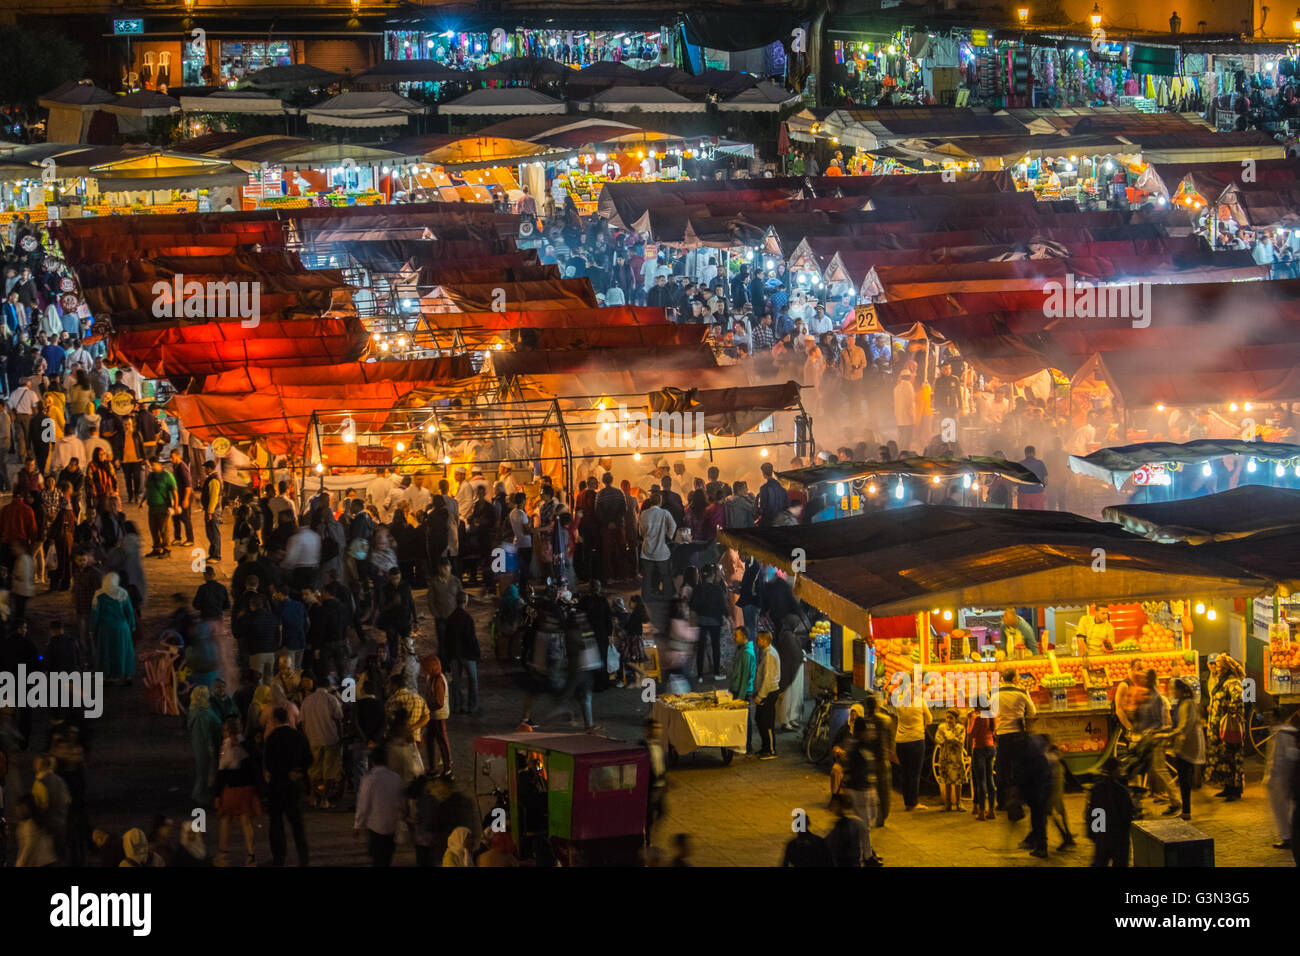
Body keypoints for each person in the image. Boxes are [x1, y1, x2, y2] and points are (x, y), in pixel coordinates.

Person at [262, 706, 312, 867]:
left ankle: (279, 857)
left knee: (276, 823)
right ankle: (303, 858)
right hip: (294, 785)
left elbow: (269, 763)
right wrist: (299, 771)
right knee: (297, 824)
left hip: (277, 785)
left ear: (275, 719)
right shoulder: (298, 736)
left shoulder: (272, 738)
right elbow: (309, 758)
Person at [214, 717, 261, 866]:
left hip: (232, 788)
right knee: (246, 822)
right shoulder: (246, 743)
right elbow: (256, 758)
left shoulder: (227, 745)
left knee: (225, 820)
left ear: (227, 730)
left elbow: (222, 771)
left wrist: (216, 794)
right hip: (247, 788)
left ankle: (223, 855)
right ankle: (251, 855)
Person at [354, 744, 405, 866]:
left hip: (375, 827)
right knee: (387, 859)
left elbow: (363, 805)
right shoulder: (396, 778)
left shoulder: (369, 779)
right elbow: (401, 803)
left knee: (377, 859)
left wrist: (358, 825)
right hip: (391, 826)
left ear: (372, 761)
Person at [1206, 654, 1246, 801]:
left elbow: (1237, 699)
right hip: (1219, 727)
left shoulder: (1232, 682)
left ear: (1225, 667)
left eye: (1218, 664)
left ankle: (1235, 790)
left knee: (1231, 756)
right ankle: (1227, 787)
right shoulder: (1221, 682)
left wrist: (1229, 715)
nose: (1215, 667)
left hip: (1229, 727)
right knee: (1223, 757)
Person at [1086, 758, 1134, 867]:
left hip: (1102, 837)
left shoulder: (1097, 789)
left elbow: (1093, 812)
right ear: (1115, 770)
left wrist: (1095, 835)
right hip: (1118, 838)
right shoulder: (1122, 791)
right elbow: (1127, 816)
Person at [92, 571, 136, 685]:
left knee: (107, 652)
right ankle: (127, 675)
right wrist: (132, 625)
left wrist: (93, 628)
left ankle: (108, 675)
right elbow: (129, 612)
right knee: (124, 651)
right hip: (122, 628)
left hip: (105, 629)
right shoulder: (122, 593)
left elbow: (95, 614)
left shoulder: (99, 594)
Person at [1265, 708, 1300, 847]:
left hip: (1281, 776)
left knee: (1282, 808)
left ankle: (1288, 837)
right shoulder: (1281, 732)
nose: (1267, 719)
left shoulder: (1283, 733)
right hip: (1282, 776)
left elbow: (1284, 755)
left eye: (1269, 716)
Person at [187, 685, 222, 805]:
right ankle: (201, 796)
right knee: (206, 771)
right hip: (205, 747)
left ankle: (200, 794)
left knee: (202, 770)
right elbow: (207, 732)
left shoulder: (195, 711)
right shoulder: (203, 714)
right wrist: (211, 748)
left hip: (198, 744)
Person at [753, 630, 781, 758]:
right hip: (766, 691)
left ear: (764, 641)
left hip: (769, 692)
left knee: (767, 721)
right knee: (759, 719)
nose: (757, 641)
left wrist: (760, 696)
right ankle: (765, 747)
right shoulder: (766, 653)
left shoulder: (769, 655)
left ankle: (770, 749)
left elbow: (768, 677)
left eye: (759, 639)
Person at [143, 456, 178, 557]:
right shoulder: (151, 476)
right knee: (153, 529)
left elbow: (174, 492)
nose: (151, 467)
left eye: (152, 465)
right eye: (150, 465)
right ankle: (157, 548)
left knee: (164, 530)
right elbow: (148, 489)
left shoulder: (166, 476)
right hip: (152, 507)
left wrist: (175, 505)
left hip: (163, 507)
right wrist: (142, 502)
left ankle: (166, 549)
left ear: (158, 464)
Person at [934, 709, 966, 812]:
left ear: (956, 719)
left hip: (956, 757)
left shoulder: (960, 728)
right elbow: (938, 739)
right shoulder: (942, 727)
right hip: (945, 757)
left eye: (951, 718)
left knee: (957, 781)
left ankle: (958, 802)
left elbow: (960, 741)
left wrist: (949, 738)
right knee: (946, 780)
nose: (948, 720)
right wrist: (949, 739)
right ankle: (947, 803)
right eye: (947, 717)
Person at [643, 718, 668, 847]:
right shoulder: (643, 747)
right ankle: (647, 839)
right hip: (651, 788)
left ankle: (651, 834)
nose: (658, 731)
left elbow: (661, 766)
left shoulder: (659, 747)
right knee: (648, 816)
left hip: (660, 787)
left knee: (662, 811)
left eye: (659, 728)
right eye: (655, 728)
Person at [969, 707, 996, 820]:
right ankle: (991, 810)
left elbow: (972, 734)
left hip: (979, 749)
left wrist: (971, 720)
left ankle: (981, 812)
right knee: (990, 779)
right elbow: (993, 731)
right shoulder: (992, 716)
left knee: (981, 781)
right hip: (990, 747)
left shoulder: (979, 718)